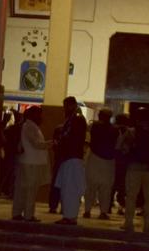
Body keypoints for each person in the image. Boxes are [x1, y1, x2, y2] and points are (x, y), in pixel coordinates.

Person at [119, 107, 149, 234]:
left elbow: (122, 148)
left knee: (131, 197)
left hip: (134, 168)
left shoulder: (131, 132)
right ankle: (147, 225)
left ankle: (128, 223)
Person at [11, 106, 50, 222]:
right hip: (32, 163)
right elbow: (36, 144)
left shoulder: (28, 126)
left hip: (27, 161)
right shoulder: (30, 127)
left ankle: (17, 213)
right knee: (30, 190)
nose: (42, 117)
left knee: (22, 189)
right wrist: (50, 143)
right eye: (40, 114)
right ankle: (28, 215)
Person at [53, 96, 87, 225]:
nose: (64, 109)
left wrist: (59, 143)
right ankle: (69, 215)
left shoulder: (76, 120)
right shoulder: (74, 119)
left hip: (71, 158)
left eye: (65, 106)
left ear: (71, 105)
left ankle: (70, 216)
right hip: (70, 158)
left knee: (70, 188)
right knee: (68, 188)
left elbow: (69, 138)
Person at [84, 109, 118, 219]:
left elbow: (87, 141)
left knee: (90, 187)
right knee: (106, 189)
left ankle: (87, 211)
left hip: (94, 158)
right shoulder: (115, 129)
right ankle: (103, 212)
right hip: (109, 161)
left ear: (100, 116)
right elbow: (118, 146)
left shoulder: (93, 126)